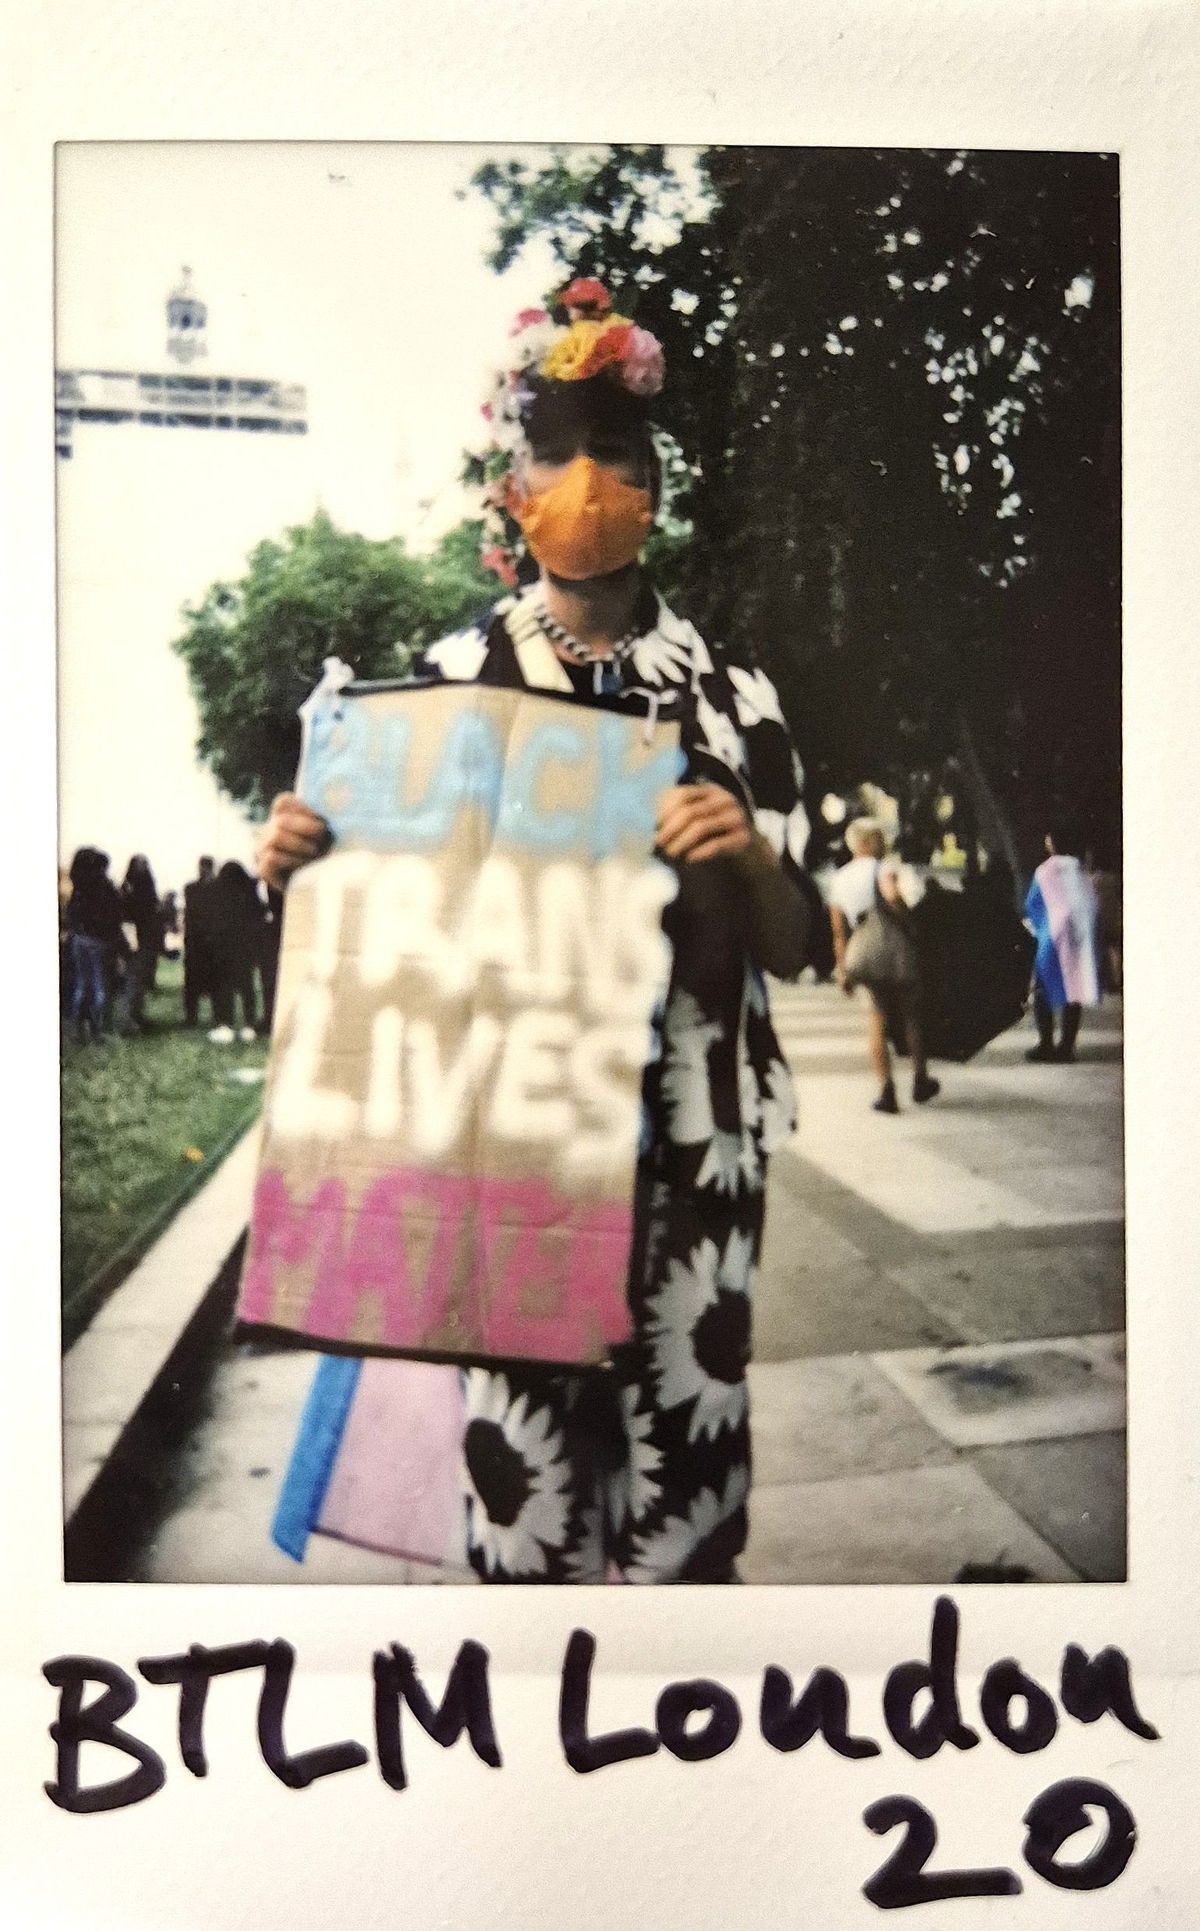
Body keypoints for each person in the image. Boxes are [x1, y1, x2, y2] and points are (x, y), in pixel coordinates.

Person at [257, 276, 813, 1583]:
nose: (584, 479)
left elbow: (797, 943)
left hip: (695, 1143)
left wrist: (745, 858)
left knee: (689, 1504)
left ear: (655, 483)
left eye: (613, 454)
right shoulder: (445, 690)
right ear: (513, 490)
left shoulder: (737, 698)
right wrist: (299, 865)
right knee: (527, 1507)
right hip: (506, 1158)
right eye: (553, 453)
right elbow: (375, 940)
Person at [829, 817, 939, 1114]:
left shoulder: (839, 878)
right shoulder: (885, 868)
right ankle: (920, 1079)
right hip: (894, 950)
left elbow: (839, 930)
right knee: (911, 1015)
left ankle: (886, 1090)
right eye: (878, 837)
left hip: (861, 952)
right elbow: (892, 896)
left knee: (876, 1019)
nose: (883, 842)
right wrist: (910, 923)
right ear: (865, 842)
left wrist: (843, 970)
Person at [1024, 822, 1102, 1062]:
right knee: (1074, 990)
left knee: (1042, 989)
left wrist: (1039, 927)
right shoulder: (1081, 871)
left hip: (1052, 936)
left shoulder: (1045, 871)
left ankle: (1045, 1043)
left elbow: (1033, 903)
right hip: (1078, 937)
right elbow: (1089, 903)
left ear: (1054, 843)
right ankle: (1066, 1047)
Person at [65, 846, 125, 1042]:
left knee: (82, 986)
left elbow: (71, 915)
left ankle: (78, 1030)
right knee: (101, 988)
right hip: (100, 941)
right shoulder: (104, 887)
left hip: (79, 939)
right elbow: (115, 914)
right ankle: (98, 1031)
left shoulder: (78, 887)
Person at [206, 860, 262, 1043]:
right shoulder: (249, 892)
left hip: (222, 950)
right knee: (247, 989)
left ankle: (225, 1025)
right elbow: (258, 916)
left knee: (224, 989)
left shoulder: (216, 893)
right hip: (245, 949)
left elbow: (211, 923)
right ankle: (249, 1026)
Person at [119, 853, 162, 1030]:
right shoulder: (132, 889)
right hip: (136, 940)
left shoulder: (133, 888)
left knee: (139, 982)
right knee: (134, 982)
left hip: (144, 940)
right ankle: (132, 1020)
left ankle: (137, 1017)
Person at [182, 855, 217, 1027]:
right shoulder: (194, 889)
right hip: (199, 941)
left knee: (204, 981)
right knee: (194, 982)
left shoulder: (192, 888)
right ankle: (192, 1016)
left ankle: (196, 1016)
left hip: (203, 941)